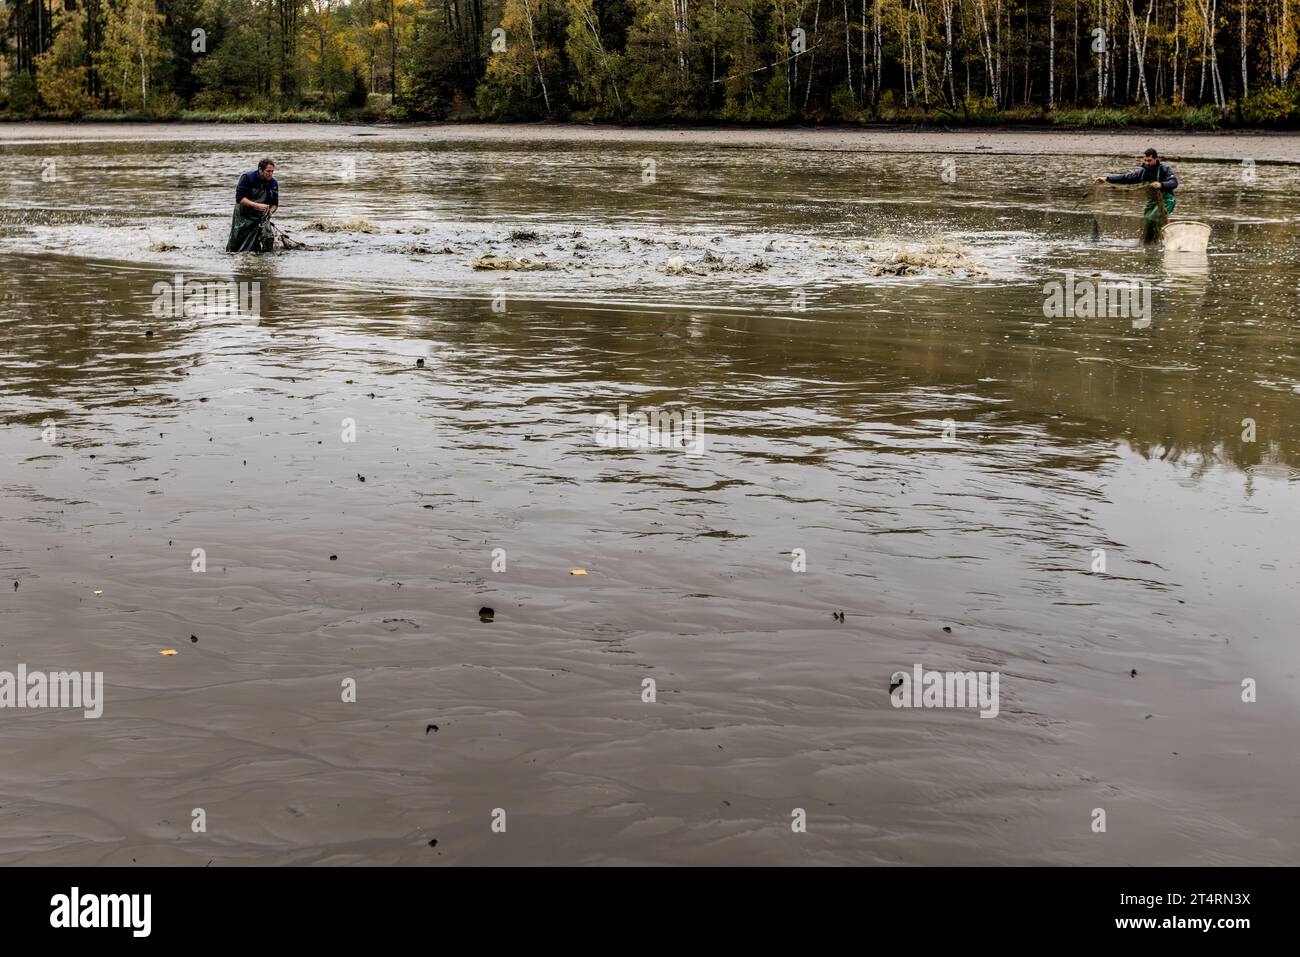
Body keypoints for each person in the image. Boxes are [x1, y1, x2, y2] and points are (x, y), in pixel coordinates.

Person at [1095, 148, 1177, 242]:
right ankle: (1152, 244)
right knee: (1147, 222)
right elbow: (1126, 178)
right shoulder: (1142, 172)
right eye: (1145, 160)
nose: (1147, 163)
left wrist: (1161, 184)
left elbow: (1174, 182)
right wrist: (1107, 178)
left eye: (1149, 161)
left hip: (1166, 200)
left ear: (1156, 159)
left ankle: (1161, 240)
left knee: (1153, 218)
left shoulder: (1164, 169)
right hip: (1151, 203)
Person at [226, 159, 280, 253]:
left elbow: (275, 204)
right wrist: (257, 206)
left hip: (261, 216)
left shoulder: (273, 183)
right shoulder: (247, 178)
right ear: (260, 169)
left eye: (272, 171)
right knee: (237, 241)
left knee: (268, 236)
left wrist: (270, 212)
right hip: (243, 214)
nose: (270, 174)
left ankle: (266, 257)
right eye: (268, 171)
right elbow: (240, 199)